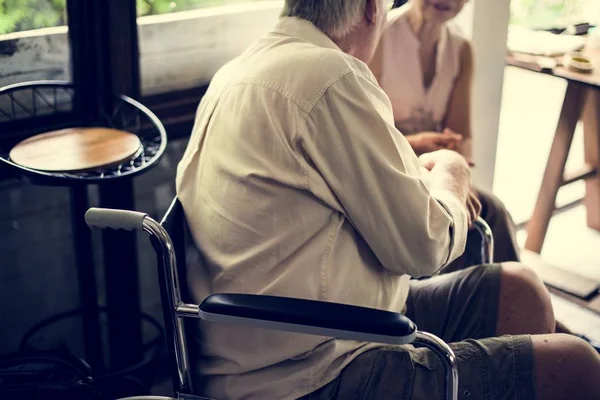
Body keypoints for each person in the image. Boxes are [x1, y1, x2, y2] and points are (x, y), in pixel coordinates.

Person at [175, 0, 600, 399]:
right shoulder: (329, 75)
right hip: (312, 367)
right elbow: (424, 245)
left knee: (520, 290)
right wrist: (452, 170)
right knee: (576, 365)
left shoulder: (239, 70)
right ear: (369, 9)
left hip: (312, 324)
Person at [369, 0, 519, 272]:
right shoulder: (378, 35)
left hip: (435, 172)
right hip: (388, 171)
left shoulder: (461, 50)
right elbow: (365, 136)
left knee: (491, 210)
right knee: (466, 217)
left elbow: (460, 139)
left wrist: (458, 175)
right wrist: (416, 144)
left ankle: (514, 300)